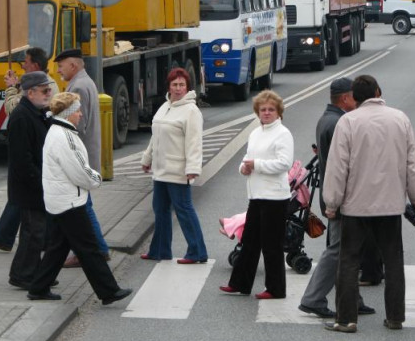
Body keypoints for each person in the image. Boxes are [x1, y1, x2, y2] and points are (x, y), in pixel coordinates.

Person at [322, 75, 415, 333]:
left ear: (354, 97)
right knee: (393, 260)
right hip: (390, 204)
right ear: (378, 91)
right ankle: (395, 317)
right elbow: (412, 163)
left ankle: (346, 318)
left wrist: (332, 202)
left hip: (356, 204)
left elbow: (337, 167)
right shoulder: (400, 119)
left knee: (348, 260)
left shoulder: (348, 121)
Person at [27, 92, 132, 305]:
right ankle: (108, 291)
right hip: (70, 202)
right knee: (89, 249)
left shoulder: (57, 131)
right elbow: (80, 172)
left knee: (57, 248)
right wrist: (97, 179)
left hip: (60, 201)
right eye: (77, 110)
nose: (81, 114)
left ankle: (38, 287)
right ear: (68, 114)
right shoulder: (64, 137)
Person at [298, 78, 375, 318]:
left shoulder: (327, 118)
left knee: (347, 249)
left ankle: (353, 298)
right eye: (354, 96)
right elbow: (343, 166)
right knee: (339, 249)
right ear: (345, 98)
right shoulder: (340, 121)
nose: (358, 101)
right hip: (341, 197)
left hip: (333, 194)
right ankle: (313, 298)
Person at [0, 47, 59, 253]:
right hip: (36, 163)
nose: (22, 64)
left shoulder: (39, 89)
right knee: (22, 200)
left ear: (36, 66)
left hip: (38, 160)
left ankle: (33, 243)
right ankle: (6, 238)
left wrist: (11, 89)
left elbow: (12, 108)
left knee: (28, 203)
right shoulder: (39, 86)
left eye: (26, 61)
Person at [220, 90, 293, 299]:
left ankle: (275, 289)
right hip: (256, 195)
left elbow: (284, 163)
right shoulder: (255, 132)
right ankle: (240, 283)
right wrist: (243, 168)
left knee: (272, 246)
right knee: (249, 242)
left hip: (275, 198)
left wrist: (257, 165)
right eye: (263, 110)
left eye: (271, 110)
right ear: (258, 112)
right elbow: (247, 157)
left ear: (278, 112)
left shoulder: (283, 133)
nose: (267, 113)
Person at [140, 67, 208, 264]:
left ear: (187, 87)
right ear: (169, 86)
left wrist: (193, 169)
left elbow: (194, 142)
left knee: (184, 210)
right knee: (159, 210)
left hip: (178, 171)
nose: (178, 89)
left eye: (182, 85)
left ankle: (197, 252)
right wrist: (147, 159)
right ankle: (160, 250)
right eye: (174, 85)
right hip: (160, 171)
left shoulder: (191, 111)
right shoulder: (164, 106)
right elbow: (155, 137)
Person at [55, 49, 110, 267]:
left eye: (61, 66)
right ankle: (88, 249)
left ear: (73, 66)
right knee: (81, 205)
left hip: (80, 157)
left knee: (83, 206)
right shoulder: (85, 82)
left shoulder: (78, 86)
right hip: (85, 156)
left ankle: (97, 249)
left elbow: (79, 126)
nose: (58, 70)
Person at [7, 71, 53, 289]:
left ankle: (32, 272)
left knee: (36, 232)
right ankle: (23, 275)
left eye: (49, 89)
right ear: (31, 92)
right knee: (33, 232)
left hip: (36, 183)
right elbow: (22, 159)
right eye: (45, 91)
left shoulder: (37, 112)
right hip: (29, 185)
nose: (49, 94)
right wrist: (38, 182)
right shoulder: (22, 117)